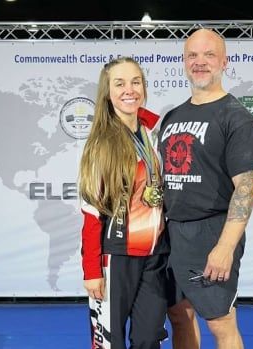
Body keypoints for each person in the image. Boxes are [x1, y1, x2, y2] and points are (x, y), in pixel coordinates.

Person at [159, 29, 253, 349]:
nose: (200, 62)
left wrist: (225, 247)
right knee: (178, 314)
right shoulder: (172, 117)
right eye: (192, 55)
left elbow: (246, 187)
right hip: (171, 232)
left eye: (209, 55)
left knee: (221, 321)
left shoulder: (237, 117)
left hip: (211, 232)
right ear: (183, 62)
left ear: (225, 62)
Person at [79, 57, 169, 349]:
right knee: (110, 342)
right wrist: (92, 271)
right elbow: (92, 214)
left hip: (155, 256)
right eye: (119, 83)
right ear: (107, 92)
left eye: (136, 81)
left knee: (148, 339)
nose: (129, 90)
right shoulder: (101, 144)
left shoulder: (153, 132)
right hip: (116, 257)